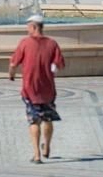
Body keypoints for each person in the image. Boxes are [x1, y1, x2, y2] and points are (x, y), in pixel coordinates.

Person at [8, 14, 65, 164]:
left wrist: (11, 75)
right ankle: (47, 147)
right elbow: (59, 64)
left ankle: (37, 155)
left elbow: (14, 64)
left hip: (30, 89)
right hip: (48, 89)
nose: (27, 29)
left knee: (34, 121)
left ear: (34, 27)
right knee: (47, 118)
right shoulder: (52, 44)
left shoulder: (25, 43)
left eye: (28, 27)